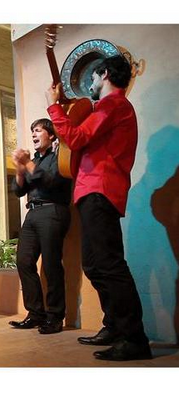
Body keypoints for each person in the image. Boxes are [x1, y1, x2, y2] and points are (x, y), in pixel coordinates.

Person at [46, 54, 151, 361]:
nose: (90, 84)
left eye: (92, 78)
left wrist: (53, 107)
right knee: (94, 265)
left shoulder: (113, 105)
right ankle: (115, 327)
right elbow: (81, 142)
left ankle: (134, 338)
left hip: (100, 190)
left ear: (104, 74)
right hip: (91, 191)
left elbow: (77, 137)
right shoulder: (106, 109)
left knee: (109, 265)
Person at [8, 119, 72, 334]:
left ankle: (55, 317)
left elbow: (50, 181)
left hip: (53, 210)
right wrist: (20, 169)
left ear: (51, 135)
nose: (34, 134)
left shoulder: (59, 156)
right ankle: (35, 314)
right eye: (32, 131)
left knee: (51, 265)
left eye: (38, 130)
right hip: (33, 212)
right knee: (24, 261)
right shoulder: (33, 160)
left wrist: (26, 163)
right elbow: (18, 191)